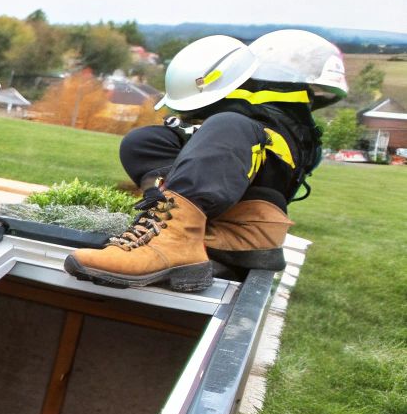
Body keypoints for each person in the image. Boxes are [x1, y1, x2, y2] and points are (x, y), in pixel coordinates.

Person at [64, 30, 345, 290]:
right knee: (143, 140)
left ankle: (177, 245)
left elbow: (231, 135)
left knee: (228, 126)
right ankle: (167, 225)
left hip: (253, 204)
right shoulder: (234, 116)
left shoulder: (258, 124)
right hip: (219, 198)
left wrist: (218, 126)